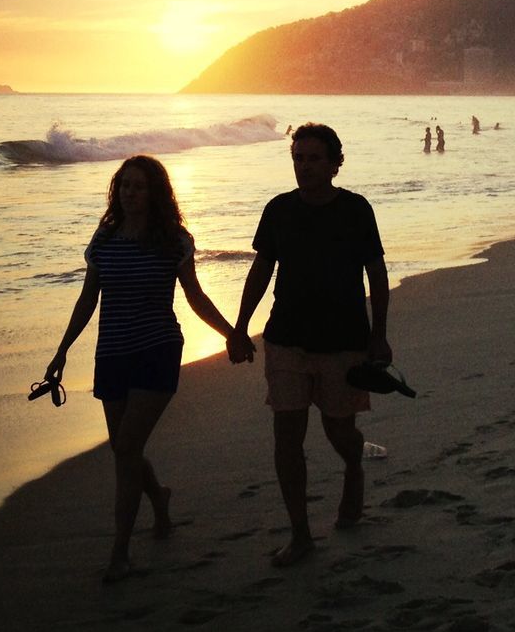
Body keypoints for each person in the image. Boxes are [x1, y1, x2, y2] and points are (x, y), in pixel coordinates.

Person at [42, 155, 246, 584]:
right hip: (112, 353)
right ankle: (159, 497)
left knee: (125, 450)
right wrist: (61, 351)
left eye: (138, 186)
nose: (130, 193)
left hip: (157, 349)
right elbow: (87, 300)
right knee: (124, 448)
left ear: (155, 193)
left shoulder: (173, 240)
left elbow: (195, 296)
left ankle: (120, 552)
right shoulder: (104, 238)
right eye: (124, 185)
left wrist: (232, 332)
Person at [229, 124, 391, 568]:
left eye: (314, 158)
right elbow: (261, 269)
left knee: (339, 430)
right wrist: (240, 327)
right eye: (298, 158)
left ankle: (354, 467)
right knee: (287, 438)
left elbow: (376, 274)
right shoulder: (279, 210)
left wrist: (379, 334)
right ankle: (300, 533)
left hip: (343, 342)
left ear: (336, 163)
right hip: (286, 340)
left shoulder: (356, 210)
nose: (304, 166)